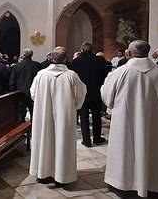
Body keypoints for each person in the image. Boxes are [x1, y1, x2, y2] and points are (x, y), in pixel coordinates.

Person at [101, 40, 158, 198]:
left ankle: (123, 183)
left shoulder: (120, 72)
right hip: (152, 120)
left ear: (129, 53)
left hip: (125, 121)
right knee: (150, 149)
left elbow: (107, 96)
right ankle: (150, 183)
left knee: (124, 149)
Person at [29, 48, 86, 188]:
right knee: (62, 142)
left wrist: (44, 103)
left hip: (44, 115)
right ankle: (62, 176)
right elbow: (80, 94)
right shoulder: (71, 76)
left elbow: (33, 94)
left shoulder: (41, 75)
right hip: (64, 116)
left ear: (51, 58)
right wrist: (75, 106)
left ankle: (43, 174)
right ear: (66, 58)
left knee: (44, 141)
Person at [70, 42, 111, 147]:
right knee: (97, 116)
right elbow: (105, 76)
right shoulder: (100, 61)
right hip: (96, 92)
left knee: (84, 117)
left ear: (82, 49)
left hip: (82, 92)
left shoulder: (75, 62)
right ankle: (97, 138)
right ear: (92, 49)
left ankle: (86, 140)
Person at [9, 48, 41, 122]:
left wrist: (13, 91)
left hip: (21, 92)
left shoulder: (17, 66)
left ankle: (22, 126)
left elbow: (12, 80)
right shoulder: (37, 65)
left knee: (21, 112)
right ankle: (33, 128)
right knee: (34, 111)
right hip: (34, 92)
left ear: (23, 55)